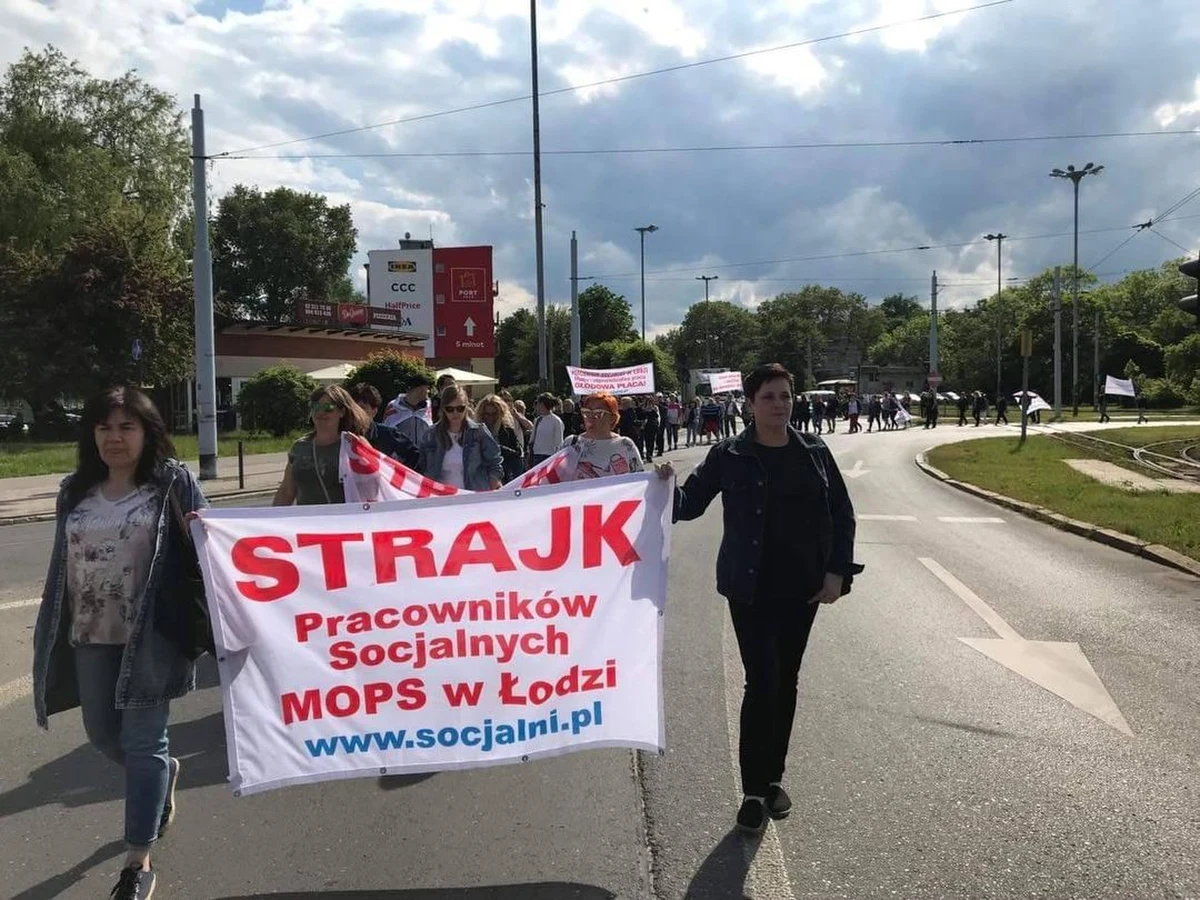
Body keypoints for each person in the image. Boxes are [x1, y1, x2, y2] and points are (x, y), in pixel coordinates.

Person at [661, 364, 862, 836]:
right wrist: (662, 486)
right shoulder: (730, 454)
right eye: (769, 397)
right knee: (762, 680)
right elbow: (690, 505)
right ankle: (753, 792)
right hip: (749, 588)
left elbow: (842, 514)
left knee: (786, 681)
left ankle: (774, 779)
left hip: (804, 588)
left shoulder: (814, 451)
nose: (779, 404)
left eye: (785, 396)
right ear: (750, 404)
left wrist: (837, 573)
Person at [33, 386, 209, 900]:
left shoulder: (171, 484)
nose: (115, 437)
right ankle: (162, 774)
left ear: (147, 432)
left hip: (151, 635)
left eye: (127, 427)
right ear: (91, 434)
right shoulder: (74, 490)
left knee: (142, 742)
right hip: (89, 632)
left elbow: (214, 544)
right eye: (105, 427)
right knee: (103, 736)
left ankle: (137, 859)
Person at [274, 385, 373, 505]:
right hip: (308, 522)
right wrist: (268, 521)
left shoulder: (354, 444)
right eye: (315, 407)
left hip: (344, 521)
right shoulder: (299, 447)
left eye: (328, 407)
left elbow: (373, 487)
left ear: (342, 412)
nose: (321, 412)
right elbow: (286, 491)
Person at [418, 386, 503, 490]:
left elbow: (494, 463)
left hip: (474, 496)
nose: (455, 413)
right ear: (443, 409)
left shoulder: (478, 432)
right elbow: (422, 467)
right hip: (440, 497)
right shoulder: (431, 434)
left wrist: (493, 482)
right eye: (450, 409)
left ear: (467, 407)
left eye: (460, 408)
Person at [566, 392, 646, 479]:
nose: (590, 417)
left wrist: (659, 475)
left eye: (598, 413)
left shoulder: (625, 445)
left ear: (612, 418)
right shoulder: (571, 443)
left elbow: (640, 479)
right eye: (586, 412)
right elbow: (552, 477)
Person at [347, 382, 419, 467]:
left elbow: (415, 456)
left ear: (374, 411)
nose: (356, 412)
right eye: (353, 408)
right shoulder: (341, 434)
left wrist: (397, 475)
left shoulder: (387, 434)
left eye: (362, 408)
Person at [477, 393, 525, 482]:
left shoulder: (507, 431)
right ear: (481, 414)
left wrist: (497, 448)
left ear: (500, 414)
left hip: (502, 476)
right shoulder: (474, 431)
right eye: (487, 414)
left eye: (494, 414)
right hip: (480, 477)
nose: (490, 418)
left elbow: (518, 453)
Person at [383, 371, 435, 445]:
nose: (428, 391)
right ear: (419, 390)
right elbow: (386, 432)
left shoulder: (427, 408)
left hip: (423, 454)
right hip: (400, 455)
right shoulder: (394, 406)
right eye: (427, 388)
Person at [528, 392, 565, 466]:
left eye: (538, 403)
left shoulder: (556, 421)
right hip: (536, 456)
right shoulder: (538, 420)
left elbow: (559, 442)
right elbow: (532, 440)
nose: (537, 406)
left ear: (542, 404)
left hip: (549, 456)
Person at [640, 396, 660, 463]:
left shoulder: (655, 407)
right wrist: (645, 410)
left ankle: (650, 454)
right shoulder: (643, 408)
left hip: (653, 425)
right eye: (648, 401)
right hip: (646, 426)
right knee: (646, 440)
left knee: (652, 440)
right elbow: (642, 416)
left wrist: (653, 410)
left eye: (650, 401)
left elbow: (657, 416)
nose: (649, 403)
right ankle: (648, 453)